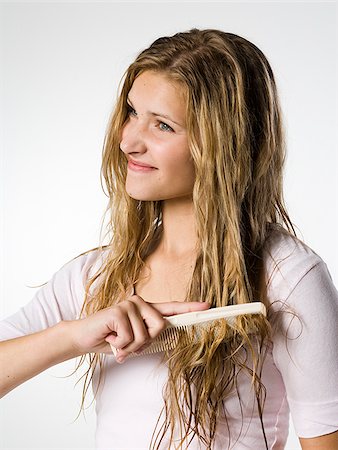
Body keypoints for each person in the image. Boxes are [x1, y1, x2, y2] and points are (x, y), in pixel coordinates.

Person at [1, 28, 337, 450]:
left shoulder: (288, 276)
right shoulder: (97, 274)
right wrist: (72, 337)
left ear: (221, 144)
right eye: (131, 112)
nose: (128, 140)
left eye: (162, 125)